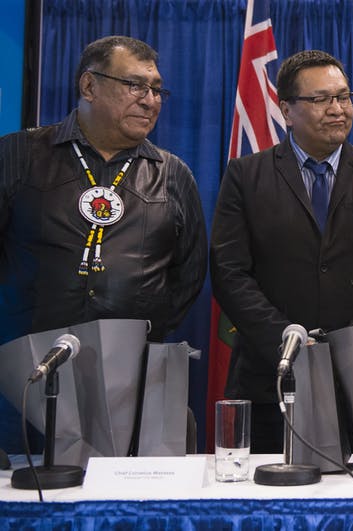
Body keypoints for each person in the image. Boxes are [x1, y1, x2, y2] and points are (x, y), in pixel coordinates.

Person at [0, 36, 207, 449]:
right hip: (23, 384)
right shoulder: (19, 154)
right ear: (89, 87)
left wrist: (142, 331)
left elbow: (189, 272)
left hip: (134, 386)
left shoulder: (172, 173)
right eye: (135, 86)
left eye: (156, 89)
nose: (150, 100)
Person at [210, 50, 353, 453]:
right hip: (270, 375)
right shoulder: (246, 176)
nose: (338, 109)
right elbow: (229, 272)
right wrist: (285, 340)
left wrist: (344, 343)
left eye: (344, 97)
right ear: (287, 110)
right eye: (321, 99)